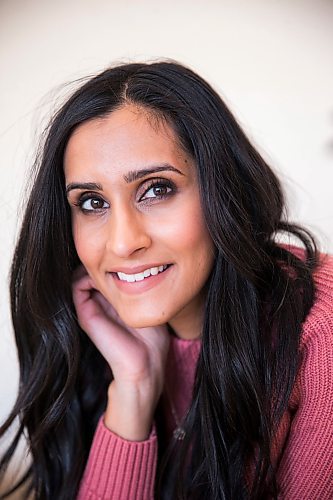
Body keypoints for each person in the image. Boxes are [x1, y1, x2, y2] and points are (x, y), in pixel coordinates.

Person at [0, 60, 332, 500]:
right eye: (92, 202)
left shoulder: (319, 331)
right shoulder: (101, 332)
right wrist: (134, 386)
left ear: (222, 190)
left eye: (156, 189)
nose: (122, 243)